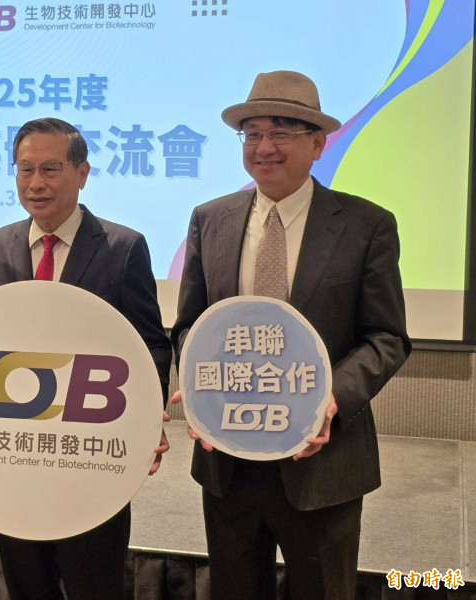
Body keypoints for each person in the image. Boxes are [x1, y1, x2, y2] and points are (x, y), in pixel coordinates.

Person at [170, 71, 411, 599]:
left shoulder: (366, 225)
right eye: (252, 133)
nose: (264, 147)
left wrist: (330, 397)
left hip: (322, 461)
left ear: (318, 144)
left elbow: (387, 337)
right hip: (228, 459)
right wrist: (199, 381)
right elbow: (190, 323)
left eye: (281, 132)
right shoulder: (210, 219)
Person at [0, 117, 172, 600]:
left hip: (90, 452)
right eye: (25, 169)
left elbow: (150, 343)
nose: (35, 183)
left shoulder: (123, 247)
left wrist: (146, 420)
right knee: (27, 583)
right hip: (14, 451)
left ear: (82, 173)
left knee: (93, 583)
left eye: (50, 169)